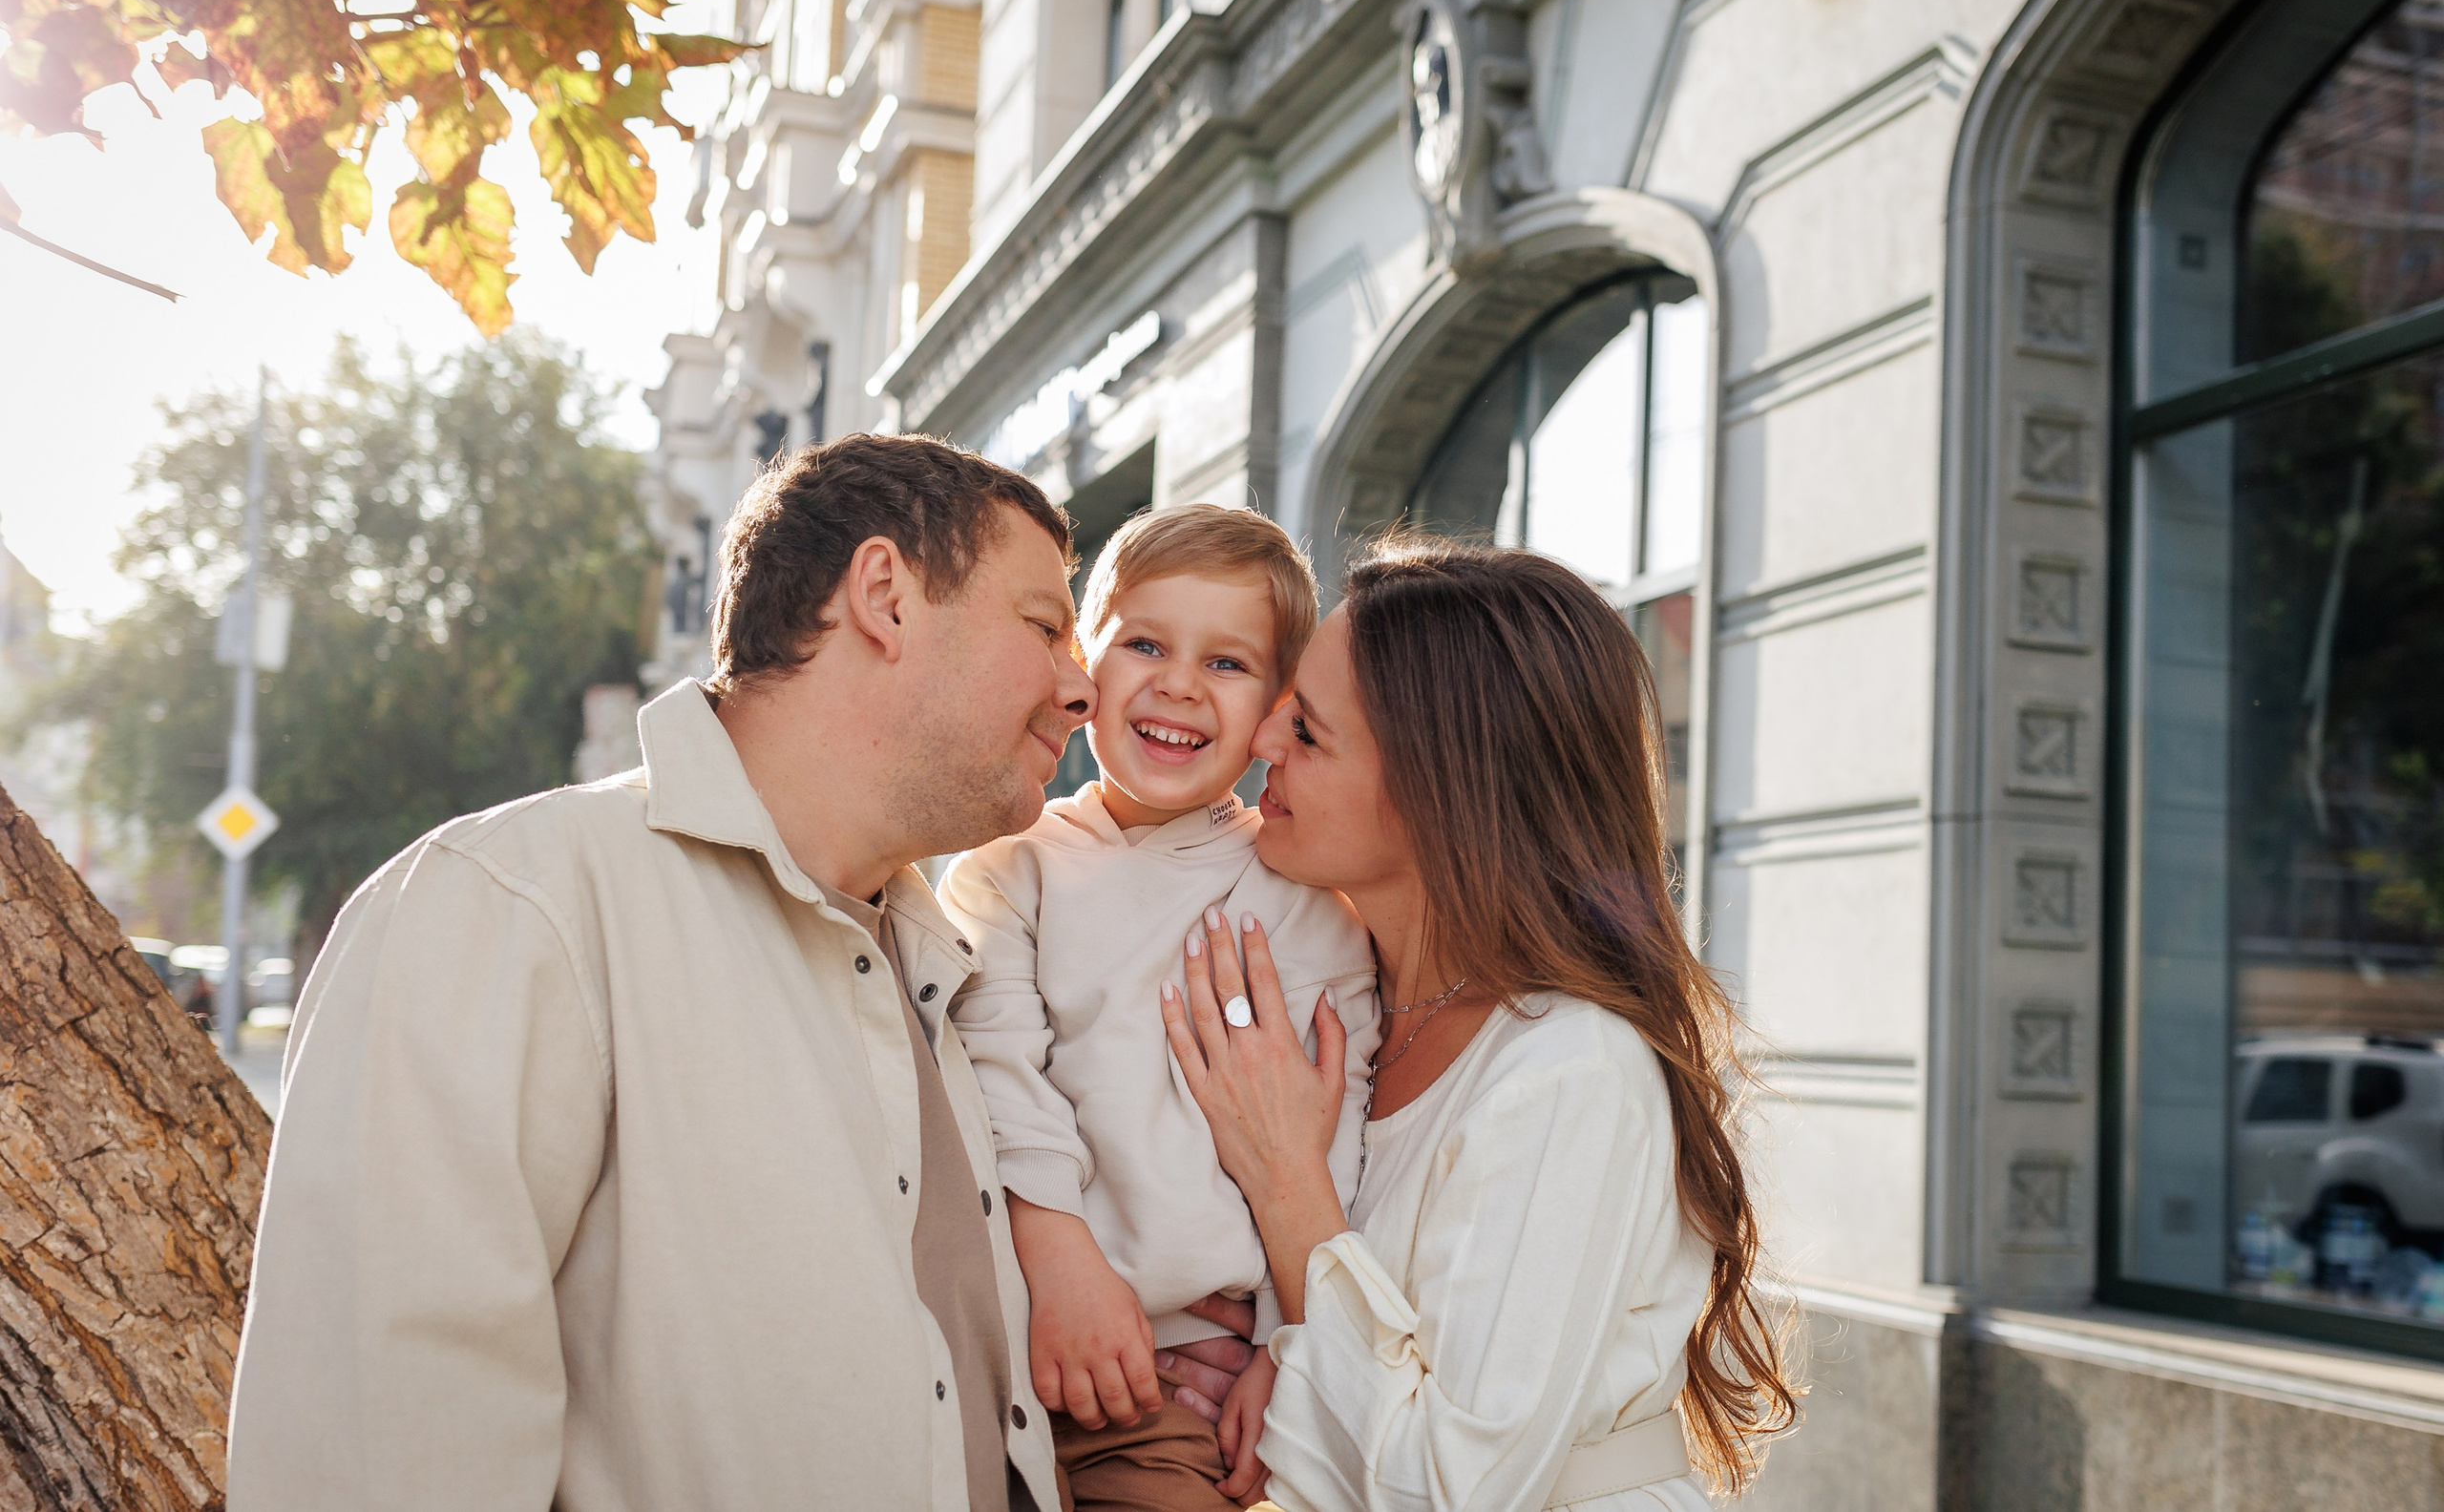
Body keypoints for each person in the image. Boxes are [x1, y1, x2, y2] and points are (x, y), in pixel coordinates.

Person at [225, 434, 1097, 1512]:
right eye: (1046, 627)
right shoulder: (512, 908)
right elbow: (379, 1462)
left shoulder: (939, 963)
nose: (1082, 686)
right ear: (885, 596)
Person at [1155, 536, 1799, 1511]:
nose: (1262, 739)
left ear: (1438, 793)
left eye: (1311, 732)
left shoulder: (1570, 1069)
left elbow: (1445, 1491)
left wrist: (1286, 1182)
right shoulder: (1350, 1009)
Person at [941, 506, 1380, 1512]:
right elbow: (998, 1075)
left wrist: (1287, 1342)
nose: (1179, 684)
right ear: (1081, 666)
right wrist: (1062, 1265)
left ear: (1276, 708)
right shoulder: (1008, 868)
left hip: (1173, 1393)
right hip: (989, 1345)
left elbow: (1339, 1144)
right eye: (1145, 645)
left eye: (1226, 663)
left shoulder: (1306, 905)